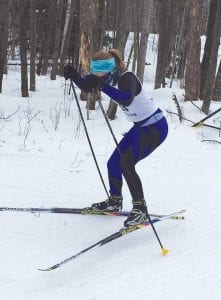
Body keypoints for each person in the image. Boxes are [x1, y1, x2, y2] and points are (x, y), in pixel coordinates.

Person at [64, 49, 168, 227]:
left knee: (126, 163)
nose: (95, 73)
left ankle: (140, 209)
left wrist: (101, 85)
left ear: (109, 68)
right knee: (113, 163)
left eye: (98, 70)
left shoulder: (127, 78)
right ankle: (115, 201)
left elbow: (126, 98)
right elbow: (88, 86)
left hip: (155, 127)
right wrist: (74, 75)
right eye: (93, 70)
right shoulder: (106, 77)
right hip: (140, 127)